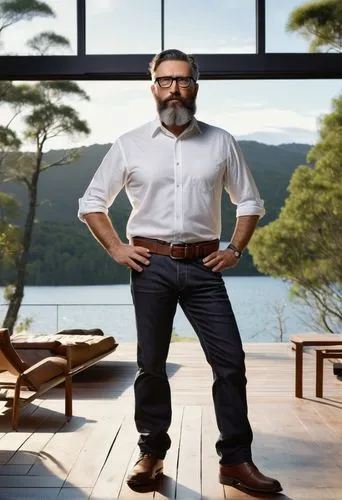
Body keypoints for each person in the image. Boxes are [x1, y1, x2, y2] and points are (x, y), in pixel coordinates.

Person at [78, 49, 282, 494]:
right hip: (150, 267)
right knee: (151, 366)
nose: (175, 88)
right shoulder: (129, 144)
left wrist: (236, 249)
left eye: (183, 81)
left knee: (230, 363)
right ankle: (150, 453)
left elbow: (250, 203)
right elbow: (91, 202)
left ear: (196, 87)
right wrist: (116, 247)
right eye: (166, 80)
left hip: (206, 268)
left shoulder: (220, 141)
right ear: (153, 87)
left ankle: (236, 462)